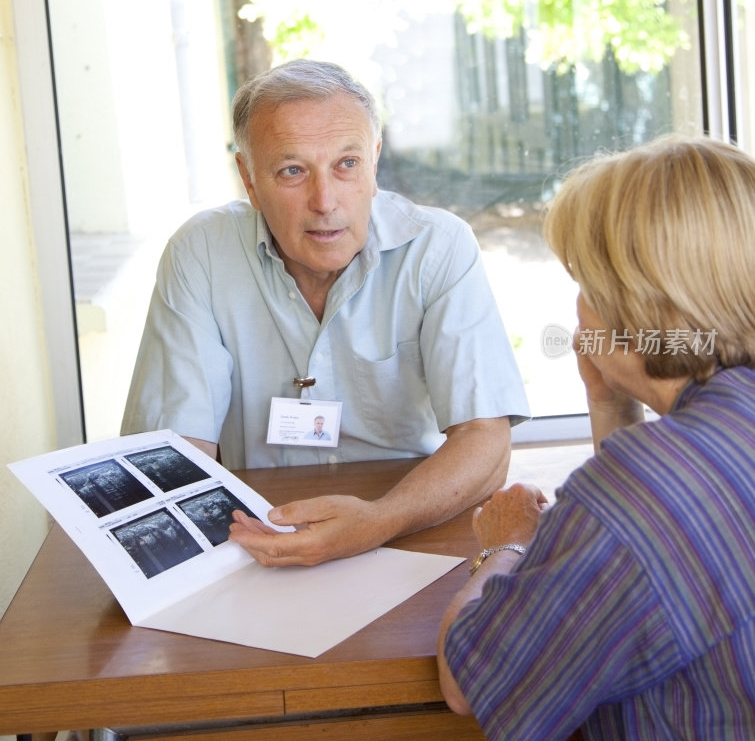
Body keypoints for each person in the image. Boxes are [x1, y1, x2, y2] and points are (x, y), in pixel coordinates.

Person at [121, 59, 529, 568]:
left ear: (374, 161)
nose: (325, 200)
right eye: (292, 170)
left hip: (411, 525)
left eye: (347, 164)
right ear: (249, 178)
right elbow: (175, 452)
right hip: (262, 534)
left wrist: (378, 521)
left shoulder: (438, 247)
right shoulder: (199, 253)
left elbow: (486, 443)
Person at [437, 135, 755, 740]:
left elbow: (467, 682)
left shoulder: (647, 489)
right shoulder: (714, 434)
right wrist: (608, 398)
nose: (577, 307)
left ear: (633, 306)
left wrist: (505, 545)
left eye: (584, 281)